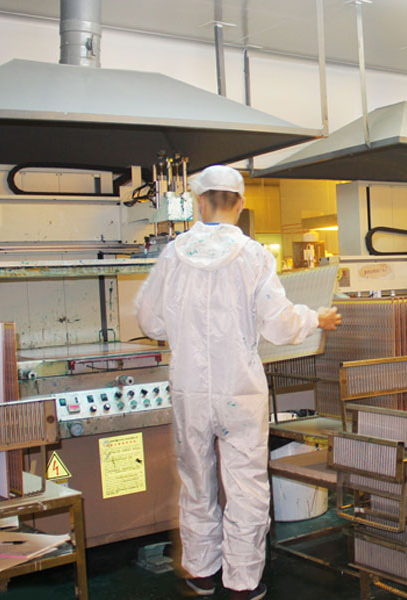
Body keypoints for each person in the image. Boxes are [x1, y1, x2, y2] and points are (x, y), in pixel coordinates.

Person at [135, 165, 341, 600]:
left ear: (200, 201)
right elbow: (280, 324)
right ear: (241, 204)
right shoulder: (253, 255)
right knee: (246, 485)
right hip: (240, 391)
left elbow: (149, 321)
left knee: (196, 480)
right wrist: (315, 318)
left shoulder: (173, 255)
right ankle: (243, 582)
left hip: (190, 389)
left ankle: (200, 572)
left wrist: (182, 326)